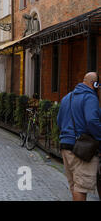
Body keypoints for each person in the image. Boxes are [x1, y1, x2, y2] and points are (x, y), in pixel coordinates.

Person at [57, 72, 101, 201]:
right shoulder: (90, 97)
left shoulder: (67, 98)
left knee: (74, 187)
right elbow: (92, 121)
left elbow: (59, 121)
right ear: (95, 84)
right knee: (81, 188)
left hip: (65, 146)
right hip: (82, 150)